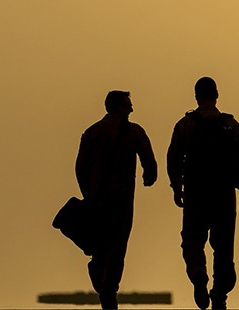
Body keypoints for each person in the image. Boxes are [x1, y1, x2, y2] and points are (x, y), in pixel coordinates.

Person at [167, 77, 239, 310]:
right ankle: (220, 296)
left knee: (192, 240)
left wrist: (176, 187)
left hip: (196, 192)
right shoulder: (231, 125)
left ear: (196, 96)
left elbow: (173, 158)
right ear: (216, 95)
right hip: (224, 194)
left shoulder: (185, 125)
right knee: (224, 247)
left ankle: (197, 273)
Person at [75, 90, 157, 309]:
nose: (132, 108)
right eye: (128, 104)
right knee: (118, 245)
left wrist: (88, 193)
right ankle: (109, 290)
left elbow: (80, 168)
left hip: (96, 199)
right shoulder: (133, 132)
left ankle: (102, 278)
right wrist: (149, 175)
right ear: (120, 107)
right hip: (121, 200)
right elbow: (150, 163)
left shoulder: (91, 132)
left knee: (102, 242)